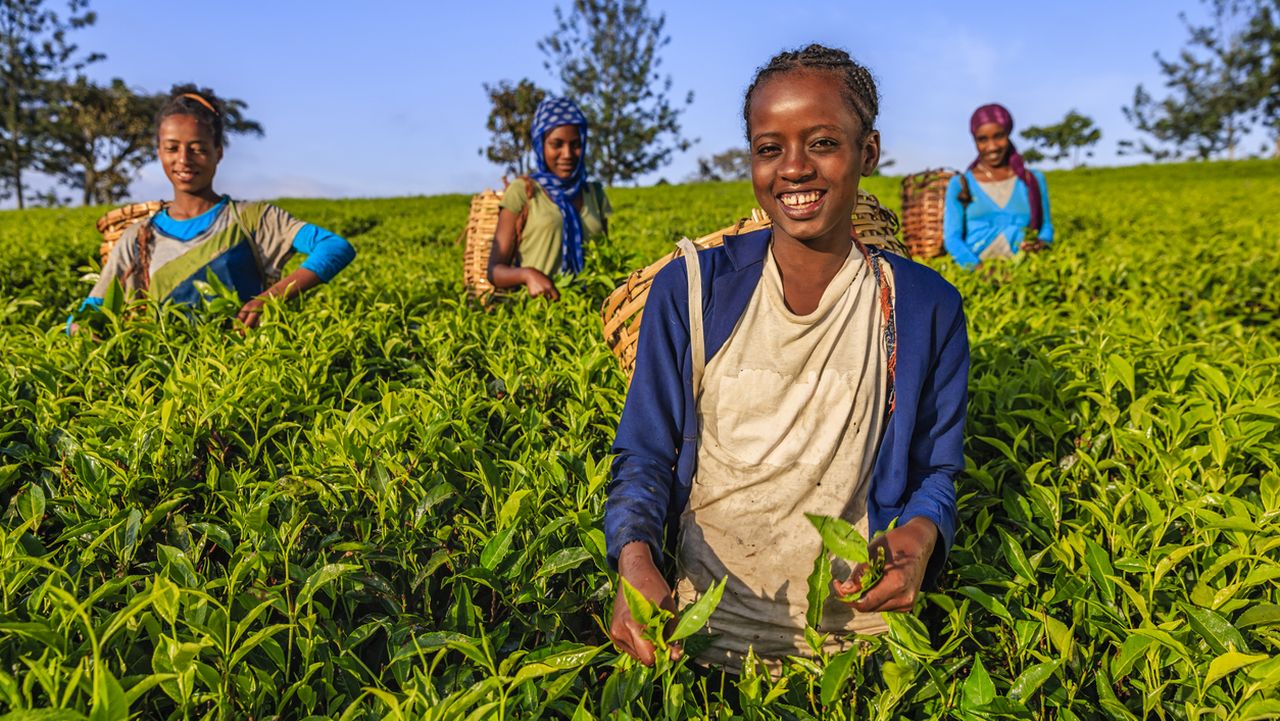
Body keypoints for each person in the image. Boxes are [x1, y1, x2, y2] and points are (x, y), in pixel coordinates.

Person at [604, 45, 968, 673]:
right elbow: (643, 455)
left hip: (864, 654)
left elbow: (936, 469)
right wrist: (635, 559)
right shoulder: (692, 289)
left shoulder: (921, 305)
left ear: (869, 152)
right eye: (770, 148)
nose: (793, 169)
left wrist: (919, 537)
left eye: (822, 142)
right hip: (696, 643)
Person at [68, 86, 355, 334]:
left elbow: (334, 247)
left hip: (239, 378)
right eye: (172, 148)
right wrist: (77, 329)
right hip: (165, 382)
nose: (184, 160)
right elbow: (92, 307)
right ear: (159, 152)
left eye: (197, 148)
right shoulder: (138, 237)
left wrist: (271, 298)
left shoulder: (253, 220)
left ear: (218, 152)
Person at [487, 96, 611, 301]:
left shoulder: (594, 193)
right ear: (540, 144)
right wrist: (527, 275)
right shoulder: (523, 191)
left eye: (575, 144)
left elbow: (606, 259)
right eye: (556, 144)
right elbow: (494, 271)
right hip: (535, 316)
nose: (567, 154)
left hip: (588, 311)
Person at [942, 103, 1054, 269]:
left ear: (1008, 135)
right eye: (982, 139)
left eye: (999, 136)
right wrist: (979, 270)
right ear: (975, 141)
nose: (992, 146)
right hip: (977, 272)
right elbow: (952, 238)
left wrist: (1041, 244)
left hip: (1024, 267)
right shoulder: (961, 184)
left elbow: (1046, 227)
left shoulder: (1033, 180)